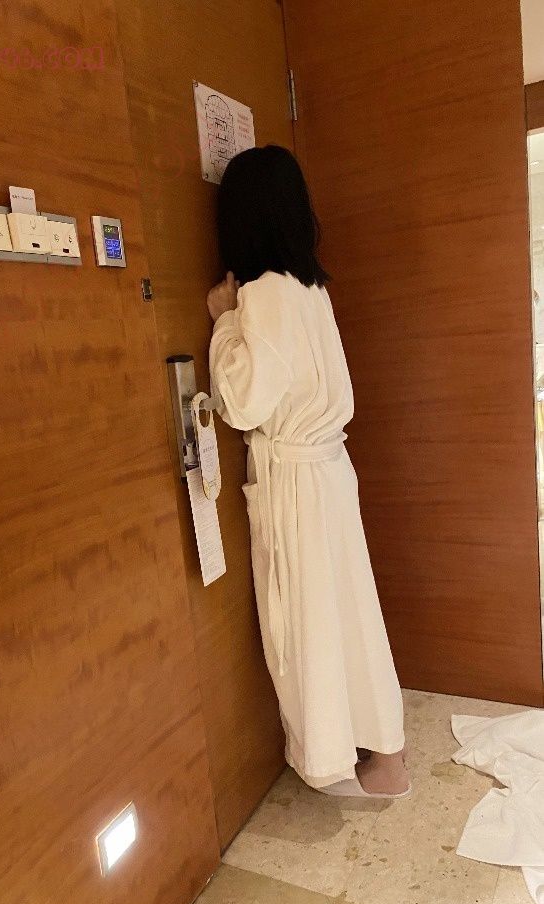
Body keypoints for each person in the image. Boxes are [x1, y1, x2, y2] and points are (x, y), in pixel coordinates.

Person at [207, 145, 410, 797]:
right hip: (327, 471)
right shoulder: (310, 288)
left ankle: (329, 759)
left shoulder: (263, 294)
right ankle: (385, 751)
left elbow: (244, 403)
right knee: (349, 610)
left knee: (308, 622)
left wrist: (223, 322)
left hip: (295, 480)